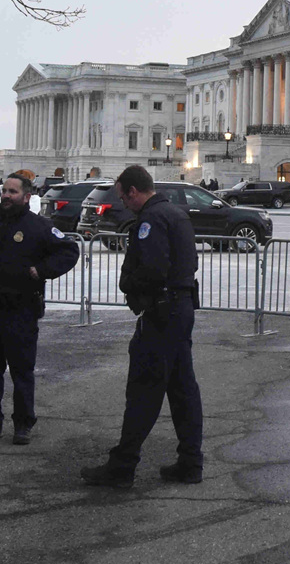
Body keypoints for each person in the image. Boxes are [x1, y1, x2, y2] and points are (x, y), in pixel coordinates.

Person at [82, 165, 202, 488]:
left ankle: (122, 466)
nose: (123, 204)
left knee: (143, 390)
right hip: (180, 307)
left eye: (122, 197)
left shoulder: (151, 219)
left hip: (162, 313)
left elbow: (152, 268)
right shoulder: (176, 214)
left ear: (133, 191)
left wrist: (130, 286)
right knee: (182, 390)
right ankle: (190, 462)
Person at [0, 169, 79, 445]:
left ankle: (23, 424)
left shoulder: (37, 226)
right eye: (4, 190)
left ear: (26, 197)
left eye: (12, 192)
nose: (6, 195)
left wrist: (41, 270)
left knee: (21, 370)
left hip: (21, 309)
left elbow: (68, 250)